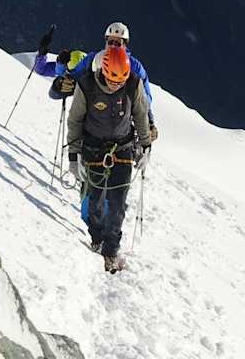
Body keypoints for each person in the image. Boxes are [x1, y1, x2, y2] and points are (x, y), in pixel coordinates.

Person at [67, 44, 152, 272]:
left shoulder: (133, 84)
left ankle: (111, 250)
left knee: (117, 204)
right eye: (113, 80)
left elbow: (141, 115)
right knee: (95, 199)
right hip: (94, 148)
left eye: (121, 81)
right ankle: (96, 236)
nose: (117, 85)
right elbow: (75, 121)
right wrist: (73, 158)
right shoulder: (86, 86)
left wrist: (146, 146)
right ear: (103, 70)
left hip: (123, 148)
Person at [34, 22, 158, 138]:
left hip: (121, 123)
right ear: (106, 41)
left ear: (125, 45)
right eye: (111, 42)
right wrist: (61, 76)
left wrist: (149, 121)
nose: (113, 46)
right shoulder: (94, 60)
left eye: (117, 43)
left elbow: (144, 98)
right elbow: (72, 81)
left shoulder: (134, 67)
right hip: (96, 122)